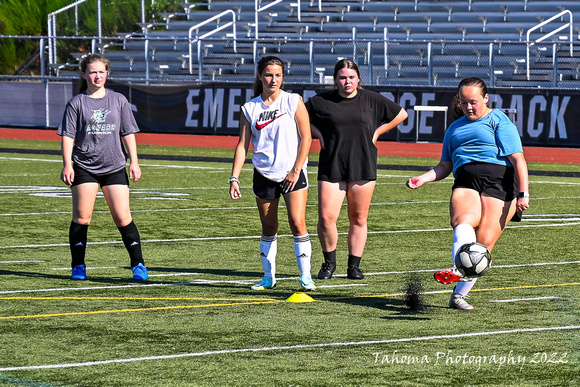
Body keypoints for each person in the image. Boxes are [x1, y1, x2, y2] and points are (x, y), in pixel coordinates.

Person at [406, 76, 530, 310]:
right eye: (464, 103)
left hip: (500, 182)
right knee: (463, 222)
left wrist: (523, 193)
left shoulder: (499, 120)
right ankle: (457, 268)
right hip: (465, 180)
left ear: (485, 98)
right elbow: (445, 165)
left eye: (473, 102)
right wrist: (423, 178)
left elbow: (518, 159)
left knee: (483, 245)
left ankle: (457, 296)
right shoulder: (454, 128)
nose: (469, 107)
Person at [306, 59, 408, 280]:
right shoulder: (320, 101)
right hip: (331, 163)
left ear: (358, 78)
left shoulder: (371, 99)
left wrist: (378, 132)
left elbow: (401, 114)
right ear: (335, 80)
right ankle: (328, 263)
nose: (347, 82)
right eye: (342, 78)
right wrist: (318, 133)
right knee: (326, 218)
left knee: (359, 217)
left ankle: (354, 266)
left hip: (362, 162)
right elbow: (300, 119)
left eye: (351, 77)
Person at [58, 53, 148, 281]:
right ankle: (78, 266)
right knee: (81, 217)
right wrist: (67, 164)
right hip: (84, 166)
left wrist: (134, 162)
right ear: (84, 74)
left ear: (107, 74)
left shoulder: (118, 100)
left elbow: (128, 132)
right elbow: (68, 136)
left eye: (101, 72)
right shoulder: (76, 103)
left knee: (123, 217)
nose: (97, 76)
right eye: (93, 72)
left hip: (114, 166)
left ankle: (138, 265)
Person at [229, 56, 315, 291]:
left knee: (298, 223)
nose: (273, 79)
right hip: (264, 174)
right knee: (269, 228)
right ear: (260, 76)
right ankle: (269, 277)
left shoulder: (293, 101)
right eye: (268, 74)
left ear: (283, 77)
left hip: (293, 174)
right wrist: (234, 177)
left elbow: (306, 138)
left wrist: (296, 170)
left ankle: (305, 277)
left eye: (278, 75)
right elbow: (242, 145)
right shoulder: (250, 108)